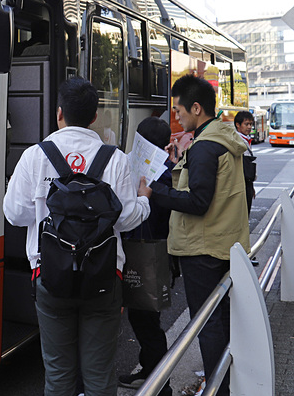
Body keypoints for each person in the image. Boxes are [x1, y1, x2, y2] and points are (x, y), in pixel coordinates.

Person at [3, 77, 150, 396]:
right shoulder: (115, 159)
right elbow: (125, 219)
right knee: (99, 375)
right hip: (104, 278)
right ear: (95, 117)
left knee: (58, 373)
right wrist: (145, 201)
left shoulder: (34, 156)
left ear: (59, 114)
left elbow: (14, 214)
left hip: (50, 276)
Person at [139, 74, 250, 396]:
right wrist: (178, 167)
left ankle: (217, 388)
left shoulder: (204, 148)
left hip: (202, 248)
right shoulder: (223, 139)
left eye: (179, 110)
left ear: (197, 108)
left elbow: (198, 202)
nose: (177, 116)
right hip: (222, 241)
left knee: (207, 323)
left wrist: (154, 190)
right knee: (220, 318)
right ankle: (224, 381)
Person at [118, 117, 173, 396]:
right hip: (159, 251)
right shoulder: (168, 169)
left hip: (145, 253)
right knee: (146, 318)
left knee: (145, 319)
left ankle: (159, 381)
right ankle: (150, 370)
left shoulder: (145, 172)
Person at [233, 110, 256, 214]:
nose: (249, 127)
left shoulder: (245, 139)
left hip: (247, 183)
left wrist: (252, 187)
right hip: (241, 184)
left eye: (251, 124)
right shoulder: (237, 140)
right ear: (238, 125)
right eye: (246, 124)